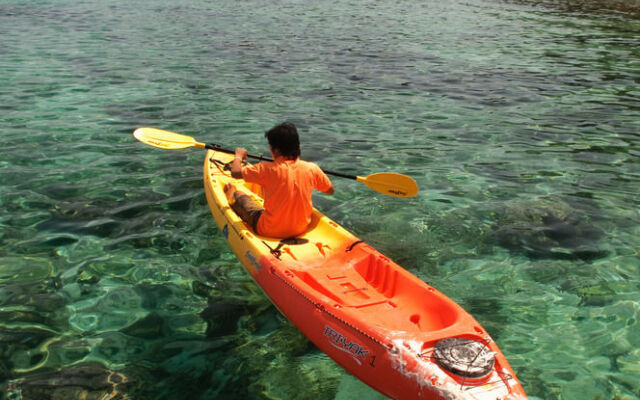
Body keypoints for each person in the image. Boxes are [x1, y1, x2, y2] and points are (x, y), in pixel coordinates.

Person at [224, 122, 334, 238]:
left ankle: (231, 196)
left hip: (269, 229)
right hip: (301, 228)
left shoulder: (265, 169)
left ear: (275, 150)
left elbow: (235, 173)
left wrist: (238, 156)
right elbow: (330, 190)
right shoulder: (312, 168)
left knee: (239, 194)